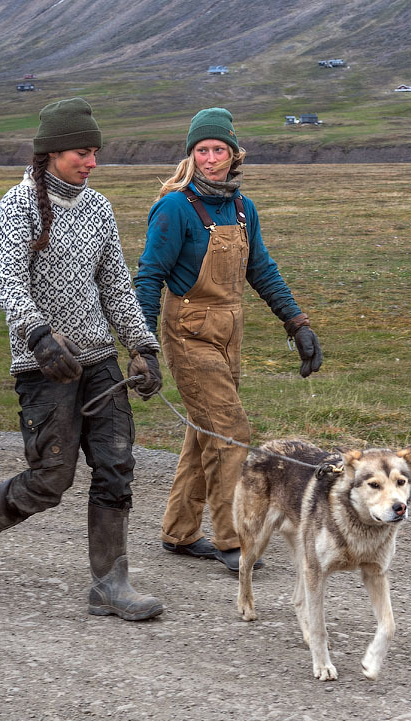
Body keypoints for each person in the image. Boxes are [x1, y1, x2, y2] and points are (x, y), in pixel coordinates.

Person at [0, 98, 165, 621]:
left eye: (95, 152)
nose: (91, 162)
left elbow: (115, 285)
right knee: (51, 478)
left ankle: (109, 584)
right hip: (43, 364)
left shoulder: (99, 209)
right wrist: (40, 336)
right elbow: (8, 282)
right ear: (51, 153)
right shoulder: (18, 204)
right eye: (81, 152)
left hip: (99, 363)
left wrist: (143, 346)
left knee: (116, 467)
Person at [134, 107, 322, 571]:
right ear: (191, 155)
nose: (211, 158)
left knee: (205, 436)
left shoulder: (242, 207)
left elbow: (261, 269)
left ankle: (179, 534)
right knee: (230, 431)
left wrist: (296, 323)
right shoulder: (175, 207)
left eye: (219, 149)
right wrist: (142, 347)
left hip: (230, 333)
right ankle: (231, 539)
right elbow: (148, 277)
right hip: (188, 333)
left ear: (234, 154)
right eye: (202, 150)